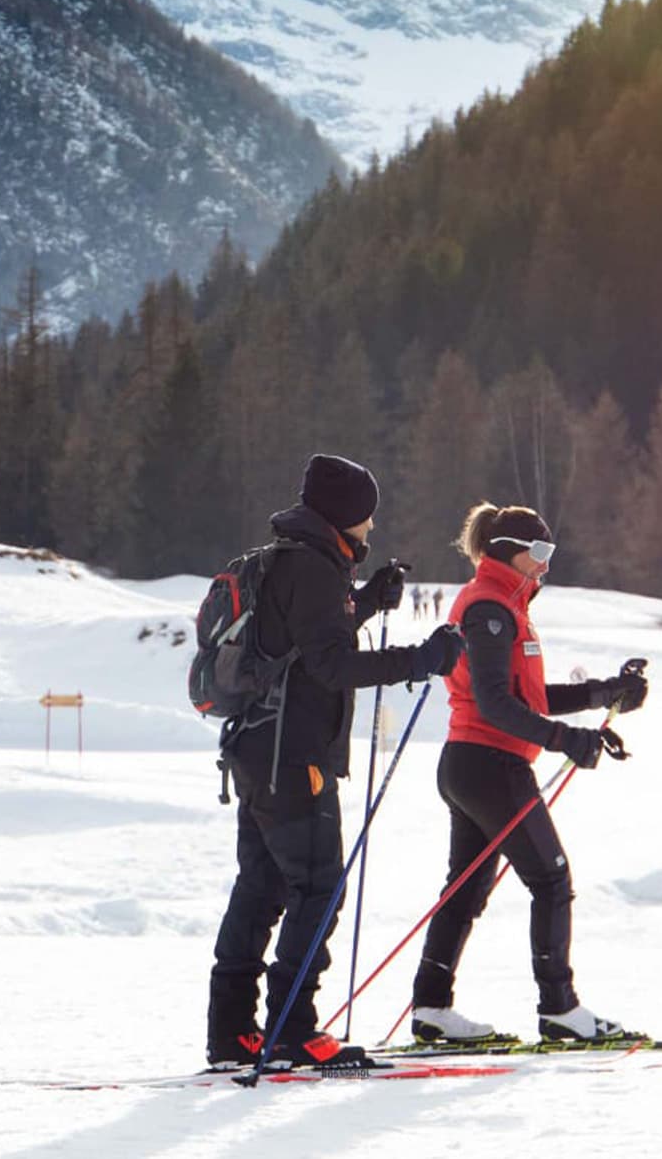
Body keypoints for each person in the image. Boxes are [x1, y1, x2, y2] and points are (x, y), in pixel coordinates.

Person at [207, 453, 466, 1071]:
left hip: (257, 749)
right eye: (367, 515)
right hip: (292, 757)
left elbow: (303, 641)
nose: (371, 527)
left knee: (262, 887)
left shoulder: (288, 558)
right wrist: (422, 659)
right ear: (344, 514)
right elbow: (331, 665)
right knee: (319, 887)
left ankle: (232, 1032)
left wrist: (367, 601)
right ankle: (292, 1028)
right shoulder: (314, 568)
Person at [406, 502, 650, 1045]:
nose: (545, 563)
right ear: (506, 552)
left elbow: (528, 698)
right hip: (490, 763)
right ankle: (559, 1008)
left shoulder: (506, 606)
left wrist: (604, 693)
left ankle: (432, 1007)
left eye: (550, 551)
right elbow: (495, 704)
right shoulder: (490, 609)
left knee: (467, 890)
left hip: (474, 764)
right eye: (538, 551)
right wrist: (566, 740)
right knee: (551, 879)